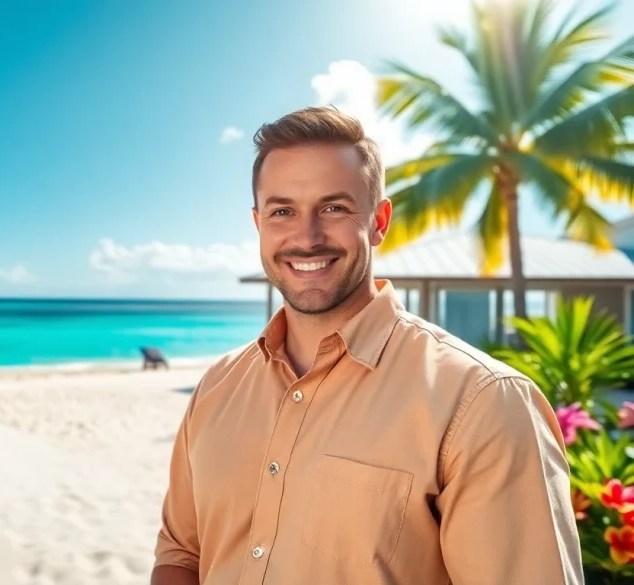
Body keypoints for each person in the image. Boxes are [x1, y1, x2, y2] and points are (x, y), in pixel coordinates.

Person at [149, 106, 583, 585]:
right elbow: (181, 554)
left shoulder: (483, 403)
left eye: (334, 208)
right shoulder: (218, 387)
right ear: (258, 223)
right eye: (282, 211)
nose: (307, 237)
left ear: (379, 221)